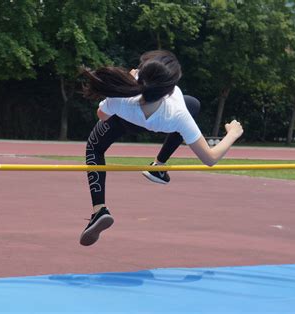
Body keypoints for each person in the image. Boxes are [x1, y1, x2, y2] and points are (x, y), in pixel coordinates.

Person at [79, 50, 243, 246]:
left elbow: (102, 115)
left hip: (125, 120)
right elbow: (210, 158)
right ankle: (158, 165)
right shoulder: (179, 113)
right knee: (193, 104)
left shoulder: (122, 96)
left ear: (143, 73)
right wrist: (233, 133)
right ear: (169, 89)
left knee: (94, 148)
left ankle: (99, 209)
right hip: (161, 122)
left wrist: (127, 82)